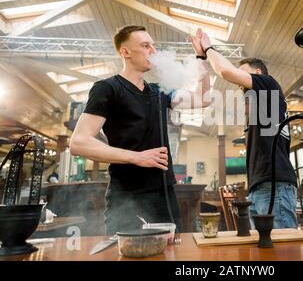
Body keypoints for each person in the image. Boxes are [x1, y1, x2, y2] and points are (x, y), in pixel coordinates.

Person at [70, 25, 211, 235]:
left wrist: (202, 57)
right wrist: (136, 157)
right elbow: (78, 142)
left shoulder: (159, 92)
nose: (153, 51)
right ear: (125, 52)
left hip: (164, 194)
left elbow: (204, 98)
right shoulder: (107, 88)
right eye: (145, 46)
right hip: (127, 196)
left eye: (153, 45)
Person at [190, 28, 298, 228]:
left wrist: (208, 48)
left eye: (243, 72)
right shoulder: (259, 105)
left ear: (258, 74)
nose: (239, 81)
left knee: (283, 251)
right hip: (260, 186)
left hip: (275, 184)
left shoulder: (268, 83)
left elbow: (225, 72)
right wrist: (200, 57)